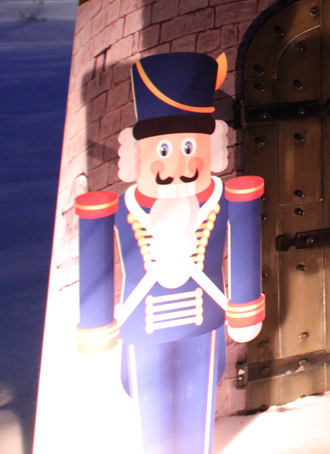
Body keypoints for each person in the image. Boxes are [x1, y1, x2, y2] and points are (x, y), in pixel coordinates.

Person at [74, 51, 264, 454]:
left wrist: (245, 306)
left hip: (204, 317)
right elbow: (96, 260)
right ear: (139, 153)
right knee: (148, 400)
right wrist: (96, 323)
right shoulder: (122, 209)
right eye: (163, 149)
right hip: (142, 323)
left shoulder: (225, 199)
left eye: (190, 147)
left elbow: (245, 244)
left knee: (200, 396)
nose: (177, 163)